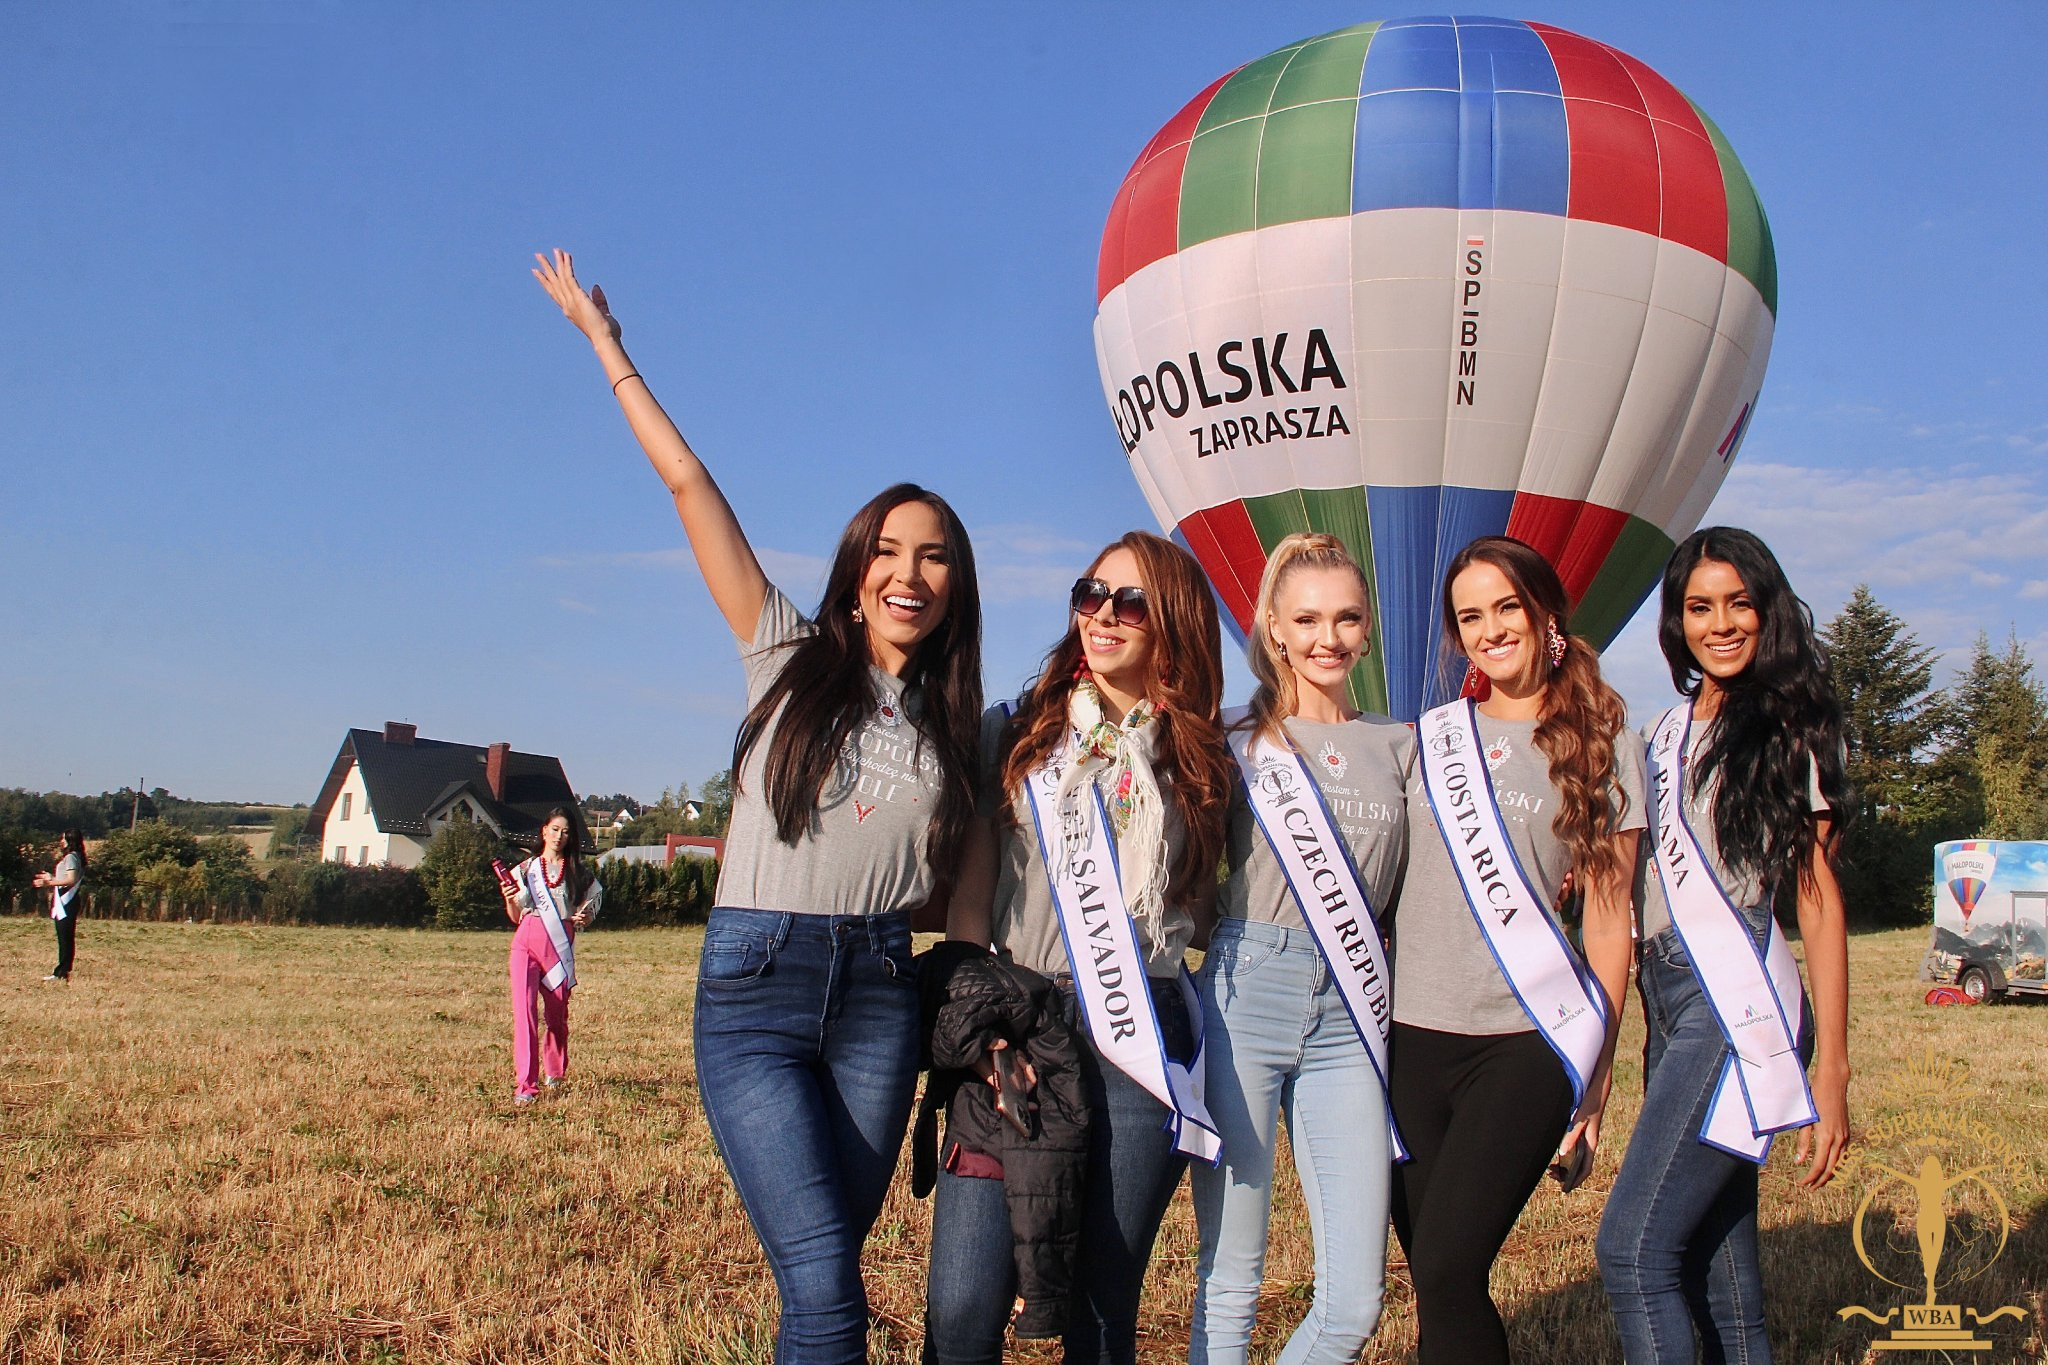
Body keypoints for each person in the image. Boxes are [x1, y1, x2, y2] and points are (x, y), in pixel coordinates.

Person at [536, 249, 984, 1365]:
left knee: (820, 1281)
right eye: (887, 551)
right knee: (832, 1295)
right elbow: (690, 485)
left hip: (882, 995)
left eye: (932, 558)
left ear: (955, 587)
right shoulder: (783, 653)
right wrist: (608, 349)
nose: (908, 573)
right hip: (757, 994)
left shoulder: (962, 727)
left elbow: (949, 878)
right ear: (852, 568)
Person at [925, 530, 1228, 1365]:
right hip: (1020, 1025)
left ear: (1171, 620)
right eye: (1090, 592)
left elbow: (1197, 911)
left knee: (1101, 1309)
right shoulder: (1020, 733)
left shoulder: (1199, 756)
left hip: (1140, 1033)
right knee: (961, 1307)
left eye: (1129, 600)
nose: (1103, 613)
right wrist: (981, 1031)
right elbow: (973, 902)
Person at [1595, 527, 1851, 1364]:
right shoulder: (1663, 733)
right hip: (1667, 1004)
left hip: (1736, 1000)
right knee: (1718, 1265)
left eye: (1739, 602)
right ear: (1677, 622)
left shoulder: (1787, 726)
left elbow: (1816, 902)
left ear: (1767, 608)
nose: (1722, 622)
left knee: (1633, 1251)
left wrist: (1833, 1068)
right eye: (1700, 606)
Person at [1390, 536, 1642, 1365]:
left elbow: (1608, 923)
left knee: (1449, 1263)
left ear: (1547, 614)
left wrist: (1597, 1071)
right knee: (1433, 1283)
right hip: (1412, 1040)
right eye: (1470, 616)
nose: (1491, 629)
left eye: (1507, 607)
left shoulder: (1602, 738)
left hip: (1529, 1041)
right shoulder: (1425, 739)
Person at [1190, 533, 1412, 1365]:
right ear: (1274, 628)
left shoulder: (1403, 745)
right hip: (1248, 989)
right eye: (1308, 618)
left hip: (1354, 1012)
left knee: (1355, 1301)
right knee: (1230, 1282)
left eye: (1348, 617)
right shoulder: (1233, 737)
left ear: (1368, 627)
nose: (1330, 638)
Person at [500, 808, 603, 1106]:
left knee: (556, 1016)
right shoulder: (526, 870)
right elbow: (515, 916)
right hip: (526, 943)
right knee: (525, 1014)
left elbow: (591, 907)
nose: (560, 836)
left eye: (566, 831)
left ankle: (555, 1072)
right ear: (544, 831)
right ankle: (526, 1086)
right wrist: (509, 899)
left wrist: (586, 918)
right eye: (555, 829)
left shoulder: (579, 873)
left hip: (558, 949)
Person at [32, 831, 86, 982]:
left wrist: (47, 883)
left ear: (70, 840)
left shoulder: (71, 857)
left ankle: (61, 972)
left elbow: (70, 880)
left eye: (63, 838)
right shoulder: (73, 857)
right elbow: (64, 879)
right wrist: (50, 878)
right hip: (67, 901)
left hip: (67, 902)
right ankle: (63, 970)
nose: (61, 841)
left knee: (65, 937)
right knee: (65, 937)